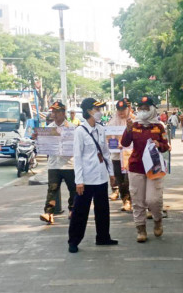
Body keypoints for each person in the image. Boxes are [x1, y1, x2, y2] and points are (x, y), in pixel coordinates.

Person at [68, 98, 118, 253]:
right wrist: (79, 181)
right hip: (87, 179)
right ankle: (74, 241)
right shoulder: (80, 132)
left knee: (103, 209)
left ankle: (103, 237)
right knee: (80, 211)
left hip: (101, 176)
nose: (100, 112)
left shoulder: (101, 129)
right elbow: (77, 157)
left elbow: (105, 153)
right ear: (89, 111)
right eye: (97, 109)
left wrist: (111, 173)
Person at [121, 96, 170, 243]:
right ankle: (141, 229)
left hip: (154, 167)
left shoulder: (159, 126)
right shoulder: (134, 125)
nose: (143, 110)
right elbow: (124, 143)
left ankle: (157, 220)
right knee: (137, 200)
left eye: (146, 108)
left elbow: (166, 146)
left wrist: (158, 144)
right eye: (140, 108)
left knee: (153, 199)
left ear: (152, 109)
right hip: (136, 167)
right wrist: (128, 130)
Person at [39, 101, 76, 224]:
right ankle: (49, 213)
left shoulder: (72, 128)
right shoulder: (48, 129)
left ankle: (73, 210)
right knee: (52, 189)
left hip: (69, 164)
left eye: (56, 112)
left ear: (63, 113)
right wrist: (37, 139)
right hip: (54, 164)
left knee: (73, 189)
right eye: (53, 112)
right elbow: (42, 146)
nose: (53, 114)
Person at [107, 99, 132, 212]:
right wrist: (114, 143)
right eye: (119, 110)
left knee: (130, 180)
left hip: (130, 155)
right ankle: (125, 200)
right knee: (120, 180)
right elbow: (107, 137)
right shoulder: (112, 122)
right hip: (116, 156)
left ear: (128, 109)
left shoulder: (134, 120)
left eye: (123, 109)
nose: (121, 112)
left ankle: (133, 200)